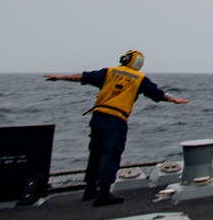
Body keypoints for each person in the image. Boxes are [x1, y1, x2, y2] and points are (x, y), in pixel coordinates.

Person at [45, 50, 189, 206]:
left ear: (126, 59)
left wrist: (60, 78)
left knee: (95, 154)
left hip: (98, 117)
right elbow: (158, 94)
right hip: (116, 120)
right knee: (111, 154)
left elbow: (84, 77)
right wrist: (175, 100)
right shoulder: (140, 79)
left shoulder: (110, 71)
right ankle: (104, 193)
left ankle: (90, 189)